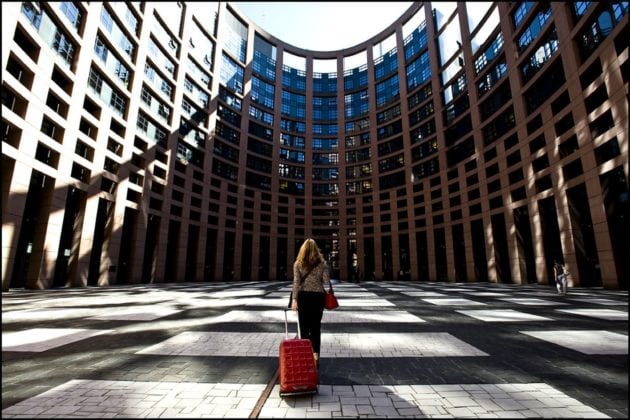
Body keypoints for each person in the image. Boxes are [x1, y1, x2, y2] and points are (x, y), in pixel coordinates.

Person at [290, 238, 331, 368]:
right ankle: (316, 356)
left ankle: (305, 357)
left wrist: (294, 300)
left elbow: (296, 283)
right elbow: (326, 281)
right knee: (316, 327)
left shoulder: (298, 263)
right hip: (318, 298)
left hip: (303, 297)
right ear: (315, 250)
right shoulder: (321, 264)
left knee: (304, 328)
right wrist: (324, 267)